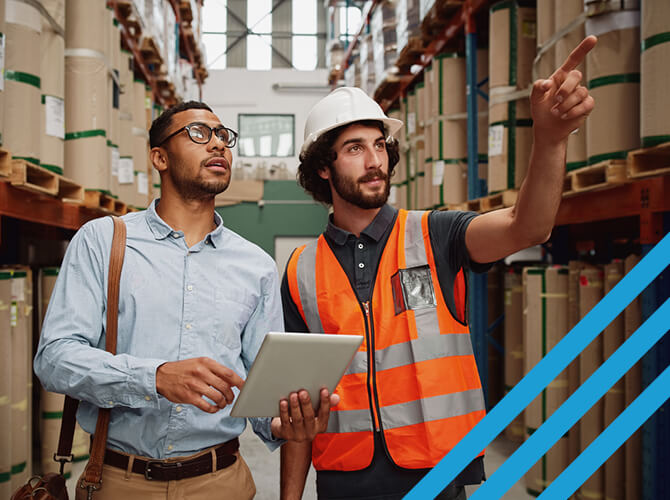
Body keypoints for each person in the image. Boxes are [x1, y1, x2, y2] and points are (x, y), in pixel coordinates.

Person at [280, 36, 597, 500]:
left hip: (438, 475)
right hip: (344, 480)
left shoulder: (438, 236)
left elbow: (526, 227)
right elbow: (298, 406)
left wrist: (548, 140)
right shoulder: (300, 271)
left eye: (379, 146)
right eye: (354, 149)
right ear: (322, 168)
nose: (374, 162)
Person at [34, 101, 337, 500]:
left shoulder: (255, 265)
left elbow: (262, 389)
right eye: (198, 134)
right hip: (120, 481)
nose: (217, 145)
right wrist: (154, 377)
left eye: (223, 136)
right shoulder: (103, 241)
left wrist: (285, 423)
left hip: (222, 481)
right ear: (159, 157)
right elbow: (54, 359)